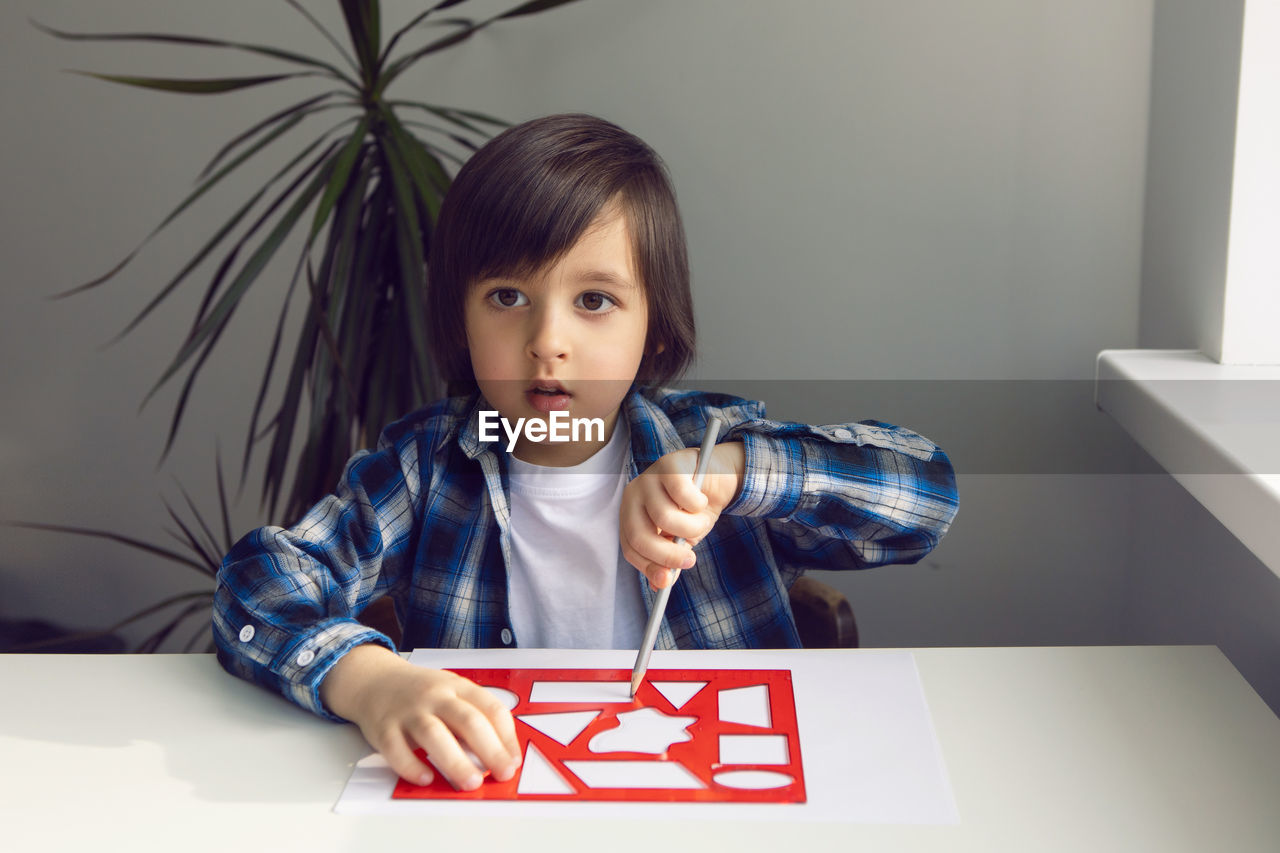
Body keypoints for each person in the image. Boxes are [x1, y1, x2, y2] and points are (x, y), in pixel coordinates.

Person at [213, 113, 959, 793]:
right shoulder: (426, 467)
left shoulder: (713, 449)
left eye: (595, 300)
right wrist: (371, 681)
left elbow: (925, 491)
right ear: (461, 319)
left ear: (656, 329)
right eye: (507, 297)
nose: (547, 341)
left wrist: (737, 473)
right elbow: (259, 580)